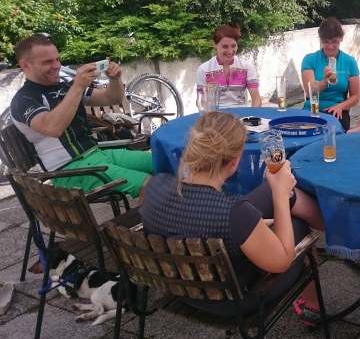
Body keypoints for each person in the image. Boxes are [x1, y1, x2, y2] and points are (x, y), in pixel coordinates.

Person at [140, 111, 326, 321]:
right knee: (296, 224)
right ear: (235, 161)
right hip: (235, 301)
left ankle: (329, 226)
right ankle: (317, 293)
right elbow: (281, 262)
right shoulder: (233, 213)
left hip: (180, 287)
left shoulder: (155, 185)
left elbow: (206, 219)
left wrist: (272, 199)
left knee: (273, 192)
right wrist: (280, 196)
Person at [10, 34, 152, 197]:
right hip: (70, 170)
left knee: (165, 160)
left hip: (98, 154)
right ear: (25, 65)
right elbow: (53, 128)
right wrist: (78, 85)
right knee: (151, 185)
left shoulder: (64, 87)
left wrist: (115, 79)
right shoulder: (23, 100)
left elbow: (112, 98)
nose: (57, 66)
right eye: (47, 62)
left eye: (57, 59)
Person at [301, 17, 360, 130]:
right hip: (313, 108)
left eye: (334, 42)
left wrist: (341, 106)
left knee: (334, 133)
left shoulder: (349, 61)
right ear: (321, 40)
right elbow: (310, 93)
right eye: (326, 42)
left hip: (337, 109)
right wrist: (324, 81)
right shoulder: (310, 59)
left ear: (341, 39)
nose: (330, 46)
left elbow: (355, 96)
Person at [196, 24, 261, 109]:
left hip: (242, 114)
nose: (230, 51)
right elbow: (202, 102)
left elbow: (256, 99)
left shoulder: (247, 67)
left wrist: (252, 115)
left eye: (233, 46)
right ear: (214, 44)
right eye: (225, 46)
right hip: (215, 115)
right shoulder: (204, 70)